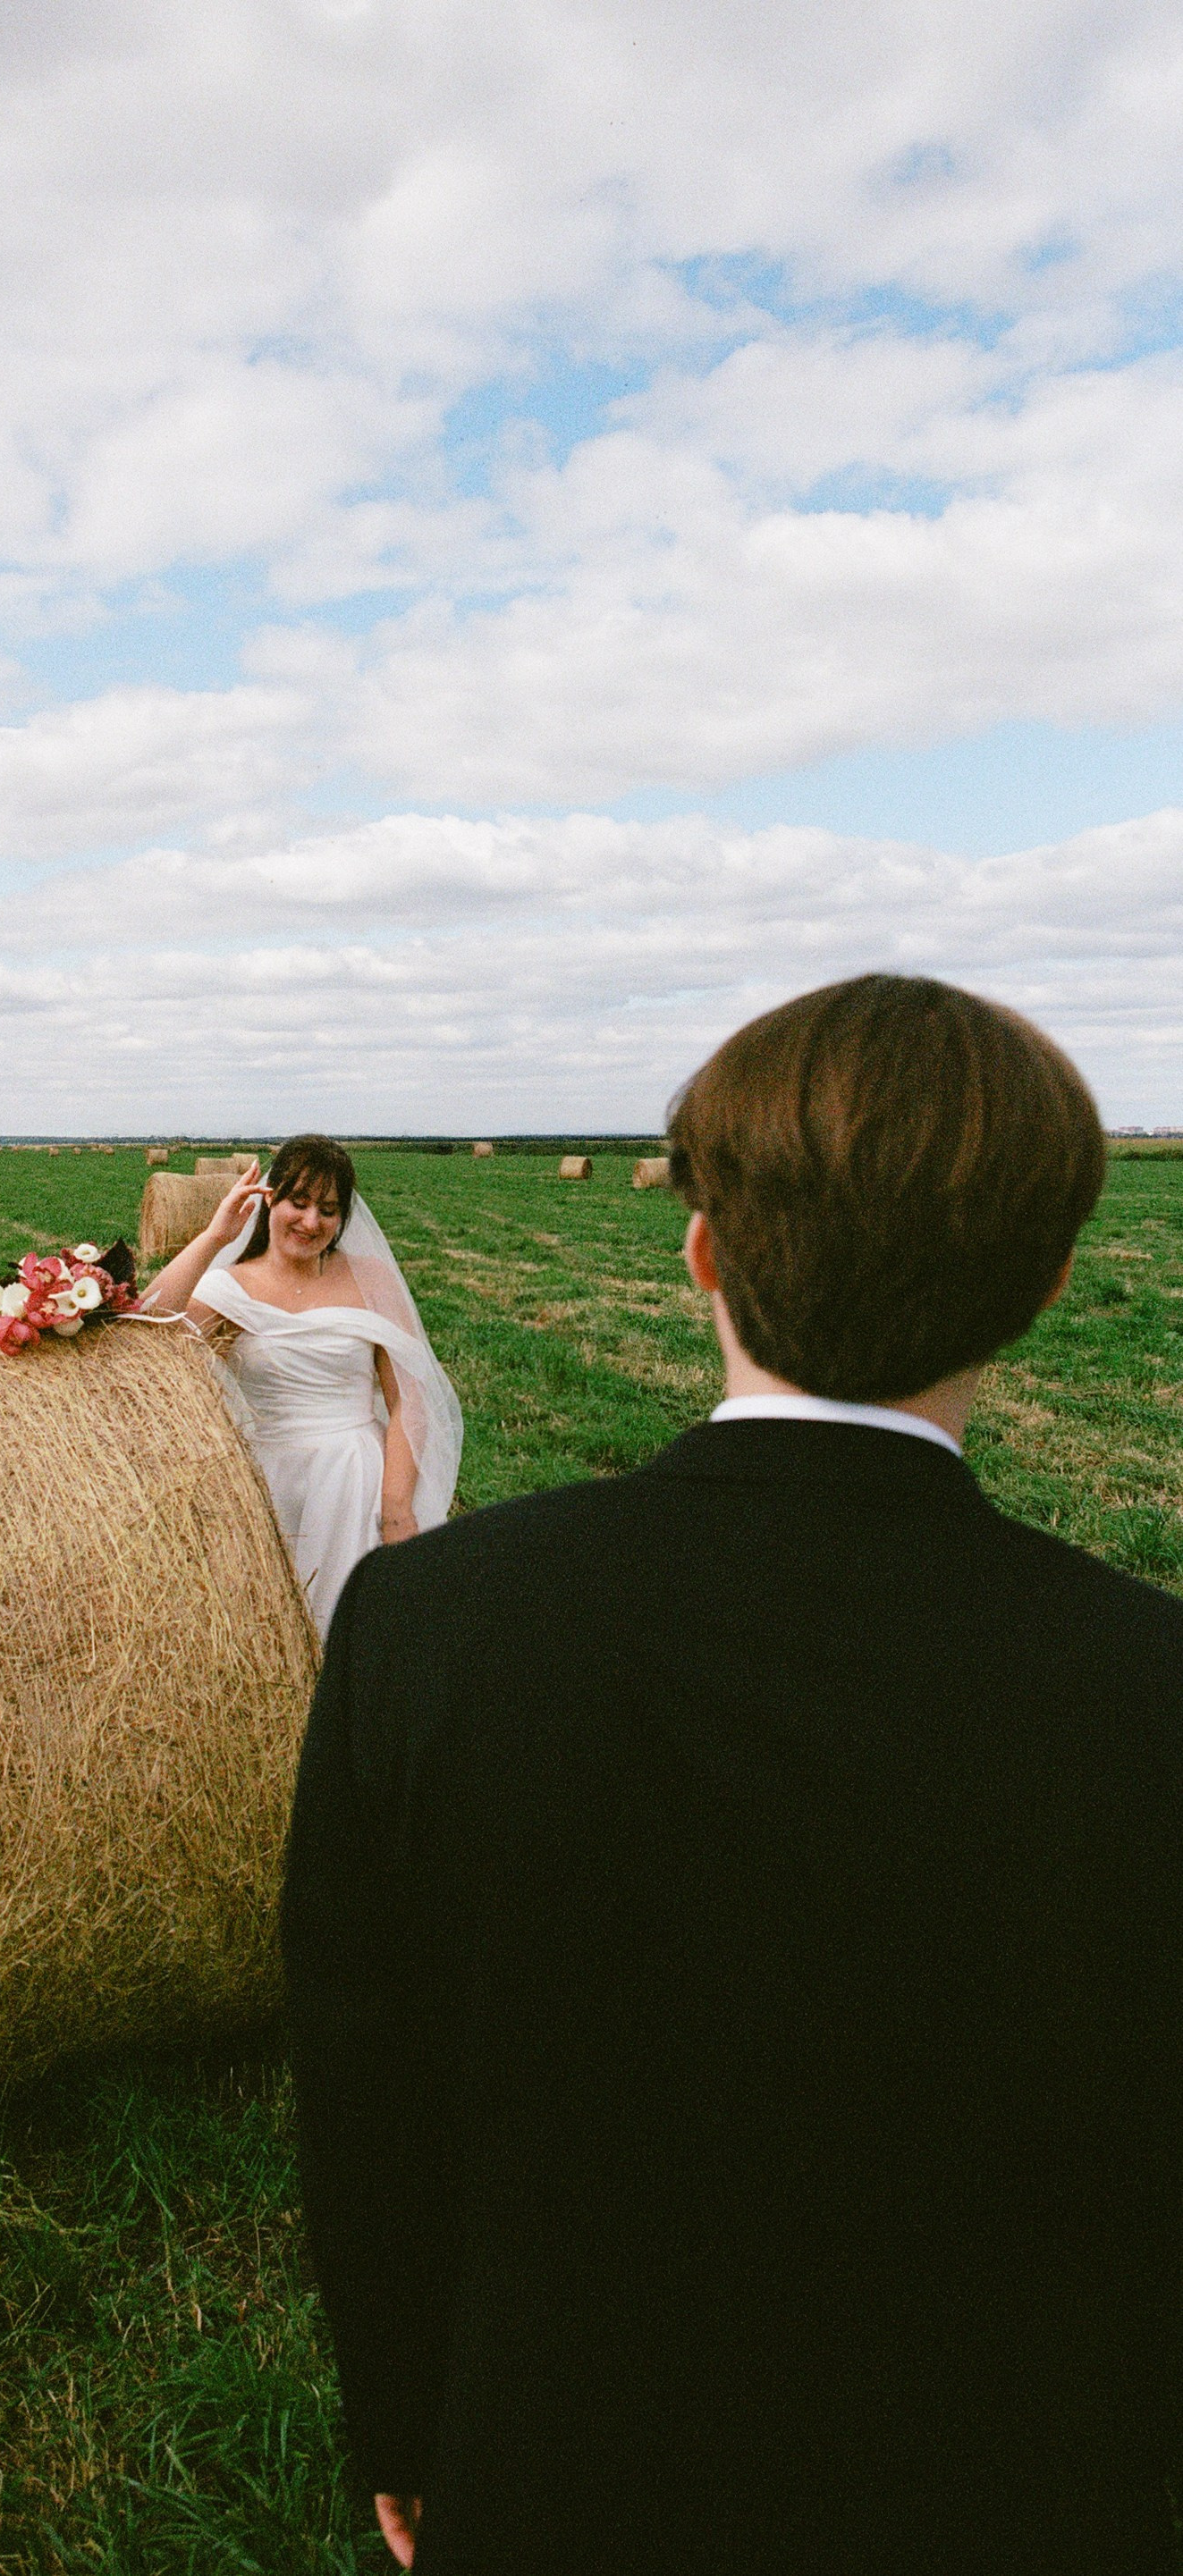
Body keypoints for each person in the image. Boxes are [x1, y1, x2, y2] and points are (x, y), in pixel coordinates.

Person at [283, 974, 1183, 2574]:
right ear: (1044, 1286)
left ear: (698, 1249)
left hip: (557, 2464)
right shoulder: (1147, 1685)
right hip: (1023, 2490)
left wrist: (411, 2427)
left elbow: (367, 2087)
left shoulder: (429, 1623)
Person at [141, 1137, 461, 1637]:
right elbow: (146, 1327)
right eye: (299, 1202)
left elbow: (409, 1402)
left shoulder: (371, 1279)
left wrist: (397, 1512)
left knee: (359, 1636)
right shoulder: (233, 1287)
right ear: (269, 1198)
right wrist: (212, 1235)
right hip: (267, 1487)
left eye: (329, 1210)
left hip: (356, 1481)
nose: (312, 1222)